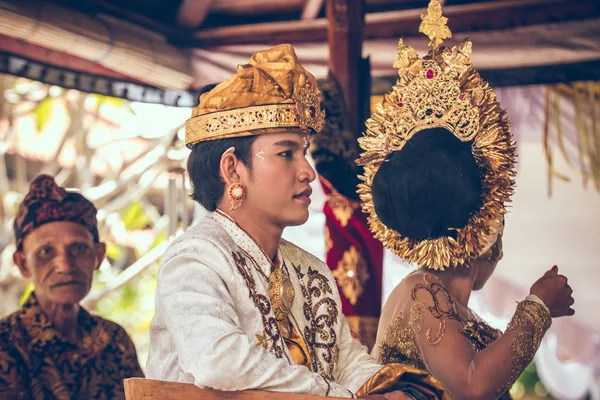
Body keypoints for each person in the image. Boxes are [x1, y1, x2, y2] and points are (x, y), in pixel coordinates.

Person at [146, 44, 449, 399]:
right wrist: (339, 396)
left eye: (304, 153)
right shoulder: (196, 259)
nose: (307, 172)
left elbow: (348, 363)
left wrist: (394, 389)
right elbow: (219, 361)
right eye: (286, 153)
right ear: (232, 168)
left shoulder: (310, 271)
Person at [356, 1, 575, 398]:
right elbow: (474, 386)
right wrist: (537, 309)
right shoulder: (423, 290)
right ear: (488, 226)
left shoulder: (452, 309)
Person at [0, 175, 144, 399]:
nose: (65, 266)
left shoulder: (114, 341)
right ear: (22, 264)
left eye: (78, 248)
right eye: (45, 252)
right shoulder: (6, 344)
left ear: (98, 256)